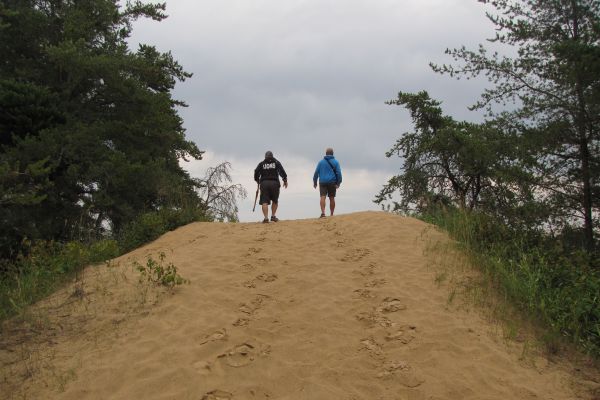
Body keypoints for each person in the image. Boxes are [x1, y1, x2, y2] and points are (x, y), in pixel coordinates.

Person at [254, 151, 288, 223]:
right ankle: (273, 216)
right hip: (274, 183)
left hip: (264, 183)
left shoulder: (261, 163)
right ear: (272, 156)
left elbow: (256, 172)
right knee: (275, 200)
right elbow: (282, 171)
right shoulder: (276, 162)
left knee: (264, 201)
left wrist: (257, 180)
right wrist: (285, 180)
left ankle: (266, 218)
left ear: (265, 156)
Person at [313, 147, 342, 218]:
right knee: (332, 198)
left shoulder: (320, 162)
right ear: (332, 154)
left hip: (322, 182)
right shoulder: (336, 162)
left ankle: (323, 213)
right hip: (332, 182)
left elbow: (316, 173)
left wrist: (315, 182)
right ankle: (331, 214)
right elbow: (339, 173)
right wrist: (338, 183)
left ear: (326, 154)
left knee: (322, 197)